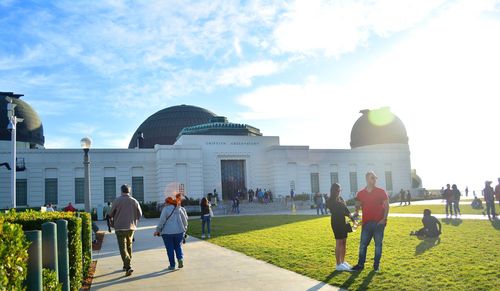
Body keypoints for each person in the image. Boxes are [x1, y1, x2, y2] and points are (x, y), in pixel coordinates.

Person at [351, 171, 389, 273]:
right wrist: (356, 214)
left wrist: (383, 219)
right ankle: (360, 265)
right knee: (363, 245)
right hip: (366, 223)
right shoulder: (360, 193)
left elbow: (387, 206)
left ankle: (376, 265)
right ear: (367, 179)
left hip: (378, 224)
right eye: (373, 178)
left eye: (375, 178)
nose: (375, 179)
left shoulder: (381, 191)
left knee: (378, 245)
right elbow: (357, 208)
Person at [109, 184, 143, 276]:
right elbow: (140, 214)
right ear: (129, 191)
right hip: (131, 227)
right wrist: (134, 220)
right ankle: (126, 264)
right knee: (129, 245)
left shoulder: (117, 200)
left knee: (122, 247)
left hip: (119, 227)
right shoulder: (134, 201)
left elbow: (110, 213)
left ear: (121, 191)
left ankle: (127, 266)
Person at [155, 194, 188, 270]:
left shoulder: (165, 209)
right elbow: (185, 221)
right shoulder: (179, 209)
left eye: (166, 202)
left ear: (168, 202)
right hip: (179, 232)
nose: (165, 204)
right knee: (178, 246)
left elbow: (161, 221)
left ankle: (172, 265)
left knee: (169, 249)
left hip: (167, 233)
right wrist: (184, 229)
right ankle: (180, 259)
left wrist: (157, 230)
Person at [327, 183, 355, 271]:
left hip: (343, 222)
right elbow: (334, 208)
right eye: (338, 190)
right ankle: (338, 264)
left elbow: (345, 210)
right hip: (336, 222)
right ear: (334, 191)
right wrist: (341, 204)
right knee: (339, 242)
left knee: (344, 242)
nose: (339, 192)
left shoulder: (340, 199)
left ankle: (343, 262)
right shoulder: (330, 200)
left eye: (340, 190)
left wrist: (352, 217)